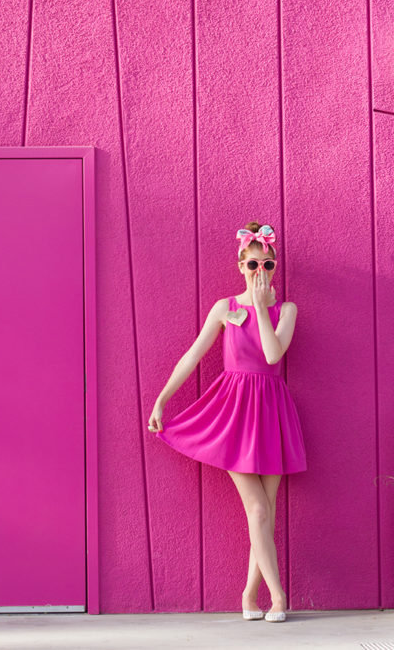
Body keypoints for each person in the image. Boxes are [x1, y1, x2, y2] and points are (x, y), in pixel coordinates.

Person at [147, 222, 306, 623]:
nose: (261, 271)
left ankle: (249, 597)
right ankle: (279, 597)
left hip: (271, 411)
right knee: (257, 510)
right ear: (240, 265)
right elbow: (193, 355)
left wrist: (261, 308)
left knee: (265, 512)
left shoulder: (286, 309)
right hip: (235, 412)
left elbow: (272, 355)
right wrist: (163, 399)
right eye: (253, 264)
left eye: (268, 264)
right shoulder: (224, 308)